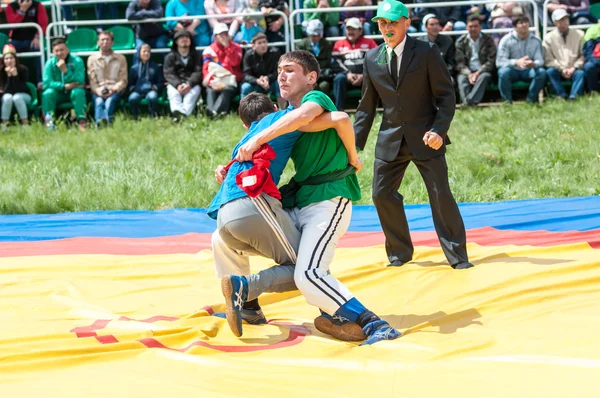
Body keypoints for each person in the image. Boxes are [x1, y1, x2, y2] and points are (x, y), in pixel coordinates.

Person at [223, 50, 402, 345]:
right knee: (236, 242)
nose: (282, 74)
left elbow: (337, 117)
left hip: (327, 200)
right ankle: (323, 312)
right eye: (279, 69)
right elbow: (330, 121)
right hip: (301, 200)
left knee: (308, 273)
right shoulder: (288, 119)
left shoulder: (314, 100)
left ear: (311, 78)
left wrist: (353, 157)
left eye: (290, 70)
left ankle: (373, 323)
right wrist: (228, 166)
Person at [354, 0, 473, 270]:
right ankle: (400, 253)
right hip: (390, 140)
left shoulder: (427, 51)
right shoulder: (372, 58)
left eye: (393, 22)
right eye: (382, 23)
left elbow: (446, 97)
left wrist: (438, 131)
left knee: (440, 194)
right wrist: (352, 145)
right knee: (381, 195)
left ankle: (457, 256)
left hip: (426, 138)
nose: (387, 28)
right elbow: (366, 106)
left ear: (407, 23)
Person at [496, 16, 546, 103]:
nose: (524, 25)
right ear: (515, 27)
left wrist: (534, 63)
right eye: (521, 23)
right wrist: (516, 62)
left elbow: (540, 60)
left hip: (528, 70)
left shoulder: (536, 40)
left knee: (541, 72)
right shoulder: (506, 40)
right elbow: (500, 61)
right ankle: (507, 102)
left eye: (526, 22)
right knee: (503, 72)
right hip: (512, 70)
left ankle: (531, 100)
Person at [331, 17, 377, 111]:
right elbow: (334, 62)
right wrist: (347, 74)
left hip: (365, 77)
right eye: (348, 29)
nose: (350, 32)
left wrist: (364, 75)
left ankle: (369, 110)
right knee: (338, 78)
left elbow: (376, 60)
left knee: (373, 78)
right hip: (346, 77)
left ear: (360, 30)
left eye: (353, 29)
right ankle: (338, 111)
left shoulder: (369, 43)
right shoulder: (339, 44)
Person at [42, 38, 87, 131]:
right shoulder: (50, 63)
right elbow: (47, 83)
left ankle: (82, 122)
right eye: (56, 51)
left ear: (67, 49)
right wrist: (63, 86)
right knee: (48, 93)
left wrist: (65, 71)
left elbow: (80, 80)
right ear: (53, 52)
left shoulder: (77, 61)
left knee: (78, 91)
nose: (59, 53)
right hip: (58, 93)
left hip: (72, 92)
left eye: (62, 50)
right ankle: (49, 123)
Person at [88, 31, 128, 127]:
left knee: (110, 101)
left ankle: (104, 124)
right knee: (99, 101)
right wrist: (98, 90)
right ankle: (101, 124)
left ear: (112, 42)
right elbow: (92, 79)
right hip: (98, 89)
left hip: (114, 89)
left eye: (107, 40)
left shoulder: (121, 58)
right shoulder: (92, 59)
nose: (105, 42)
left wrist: (113, 89)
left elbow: (123, 79)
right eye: (102, 40)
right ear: (98, 42)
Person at [202, 23, 243, 117]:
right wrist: (212, 83)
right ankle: (212, 112)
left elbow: (235, 63)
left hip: (232, 81)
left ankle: (213, 113)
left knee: (227, 89)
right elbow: (206, 70)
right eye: (221, 34)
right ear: (215, 36)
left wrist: (228, 47)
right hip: (215, 81)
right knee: (209, 90)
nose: (224, 37)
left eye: (225, 34)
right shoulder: (209, 50)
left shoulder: (237, 48)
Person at [543, 9, 586, 100]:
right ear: (555, 23)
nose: (564, 22)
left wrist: (574, 67)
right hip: (558, 68)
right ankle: (560, 95)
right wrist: (562, 69)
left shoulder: (579, 34)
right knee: (550, 72)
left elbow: (583, 55)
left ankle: (574, 96)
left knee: (580, 73)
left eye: (566, 19)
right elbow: (549, 59)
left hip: (574, 68)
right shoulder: (548, 38)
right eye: (561, 20)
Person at [455, 14, 497, 106]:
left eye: (476, 26)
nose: (473, 29)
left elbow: (491, 61)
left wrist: (478, 73)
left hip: (483, 71)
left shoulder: (488, 40)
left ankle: (468, 103)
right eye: (470, 26)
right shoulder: (460, 42)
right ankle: (469, 103)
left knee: (484, 77)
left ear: (480, 27)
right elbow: (459, 63)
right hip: (467, 71)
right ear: (466, 27)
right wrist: (469, 74)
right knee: (461, 78)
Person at [163, 30, 203, 122]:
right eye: (181, 38)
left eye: (187, 37)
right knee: (173, 93)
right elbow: (169, 73)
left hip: (192, 84)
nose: (184, 39)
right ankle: (179, 113)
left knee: (191, 95)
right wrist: (178, 85)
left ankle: (181, 116)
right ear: (176, 41)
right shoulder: (169, 57)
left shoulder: (196, 55)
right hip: (176, 84)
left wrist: (189, 84)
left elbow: (198, 72)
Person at [5, 0, 48, 83]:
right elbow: (12, 24)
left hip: (33, 40)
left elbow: (43, 24)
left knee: (39, 49)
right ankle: (7, 81)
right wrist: (22, 10)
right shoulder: (10, 7)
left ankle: (41, 82)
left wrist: (37, 37)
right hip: (15, 41)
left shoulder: (38, 5)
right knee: (7, 53)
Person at [241, 33, 285, 109]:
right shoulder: (248, 55)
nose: (263, 45)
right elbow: (246, 75)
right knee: (245, 87)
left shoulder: (275, 52)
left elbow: (278, 71)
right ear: (253, 46)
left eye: (264, 42)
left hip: (271, 82)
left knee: (280, 83)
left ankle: (284, 110)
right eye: (259, 43)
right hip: (256, 84)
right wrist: (257, 81)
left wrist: (267, 78)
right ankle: (244, 112)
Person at [296, 20, 334, 93]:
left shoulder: (327, 44)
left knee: (324, 86)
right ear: (309, 34)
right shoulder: (301, 45)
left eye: (318, 35)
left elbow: (328, 60)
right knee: (312, 86)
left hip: (323, 76)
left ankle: (321, 104)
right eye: (313, 35)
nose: (316, 37)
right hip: (308, 76)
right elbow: (301, 63)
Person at [128, 44, 163, 119]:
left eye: (148, 52)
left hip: (150, 90)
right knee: (132, 98)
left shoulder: (155, 67)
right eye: (144, 51)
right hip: (137, 91)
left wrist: (155, 87)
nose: (146, 53)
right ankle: (135, 116)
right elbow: (130, 82)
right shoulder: (134, 68)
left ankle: (154, 115)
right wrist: (132, 88)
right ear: (139, 53)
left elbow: (160, 81)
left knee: (153, 97)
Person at [0, 44, 30, 129]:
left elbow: (22, 88)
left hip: (24, 96)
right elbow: (6, 90)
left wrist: (16, 76)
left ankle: (25, 125)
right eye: (6, 58)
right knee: (8, 97)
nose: (9, 61)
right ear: (3, 60)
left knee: (17, 97)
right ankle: (4, 125)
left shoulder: (23, 69)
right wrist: (9, 76)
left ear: (15, 59)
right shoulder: (1, 71)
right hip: (8, 95)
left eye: (11, 58)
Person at [418, 14, 456, 78]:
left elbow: (451, 63)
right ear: (425, 27)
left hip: (443, 74)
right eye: (432, 24)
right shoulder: (419, 42)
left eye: (437, 24)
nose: (435, 27)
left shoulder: (448, 41)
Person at [583, 22, 600, 92]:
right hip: (596, 61)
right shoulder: (592, 30)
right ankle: (592, 92)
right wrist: (597, 62)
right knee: (589, 66)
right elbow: (588, 52)